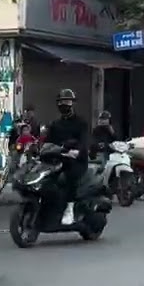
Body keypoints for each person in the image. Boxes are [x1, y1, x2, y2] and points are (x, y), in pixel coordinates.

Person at [43, 88, 91, 225]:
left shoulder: (81, 122)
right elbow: (48, 141)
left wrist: (77, 151)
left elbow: (84, 141)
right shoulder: (55, 124)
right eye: (62, 102)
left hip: (76, 161)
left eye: (67, 101)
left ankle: (69, 208)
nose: (64, 104)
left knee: (69, 175)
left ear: (72, 103)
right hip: (57, 159)